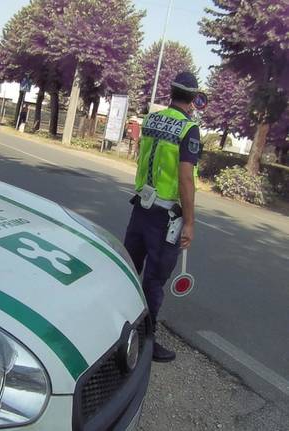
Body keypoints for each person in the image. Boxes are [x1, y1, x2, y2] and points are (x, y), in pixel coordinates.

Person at [124, 71, 202, 362]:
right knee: (154, 281)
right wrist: (191, 222)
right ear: (193, 98)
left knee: (130, 270)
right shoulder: (188, 129)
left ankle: (116, 327)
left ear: (171, 92)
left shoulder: (152, 119)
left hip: (140, 208)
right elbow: (185, 179)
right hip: (165, 216)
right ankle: (145, 341)